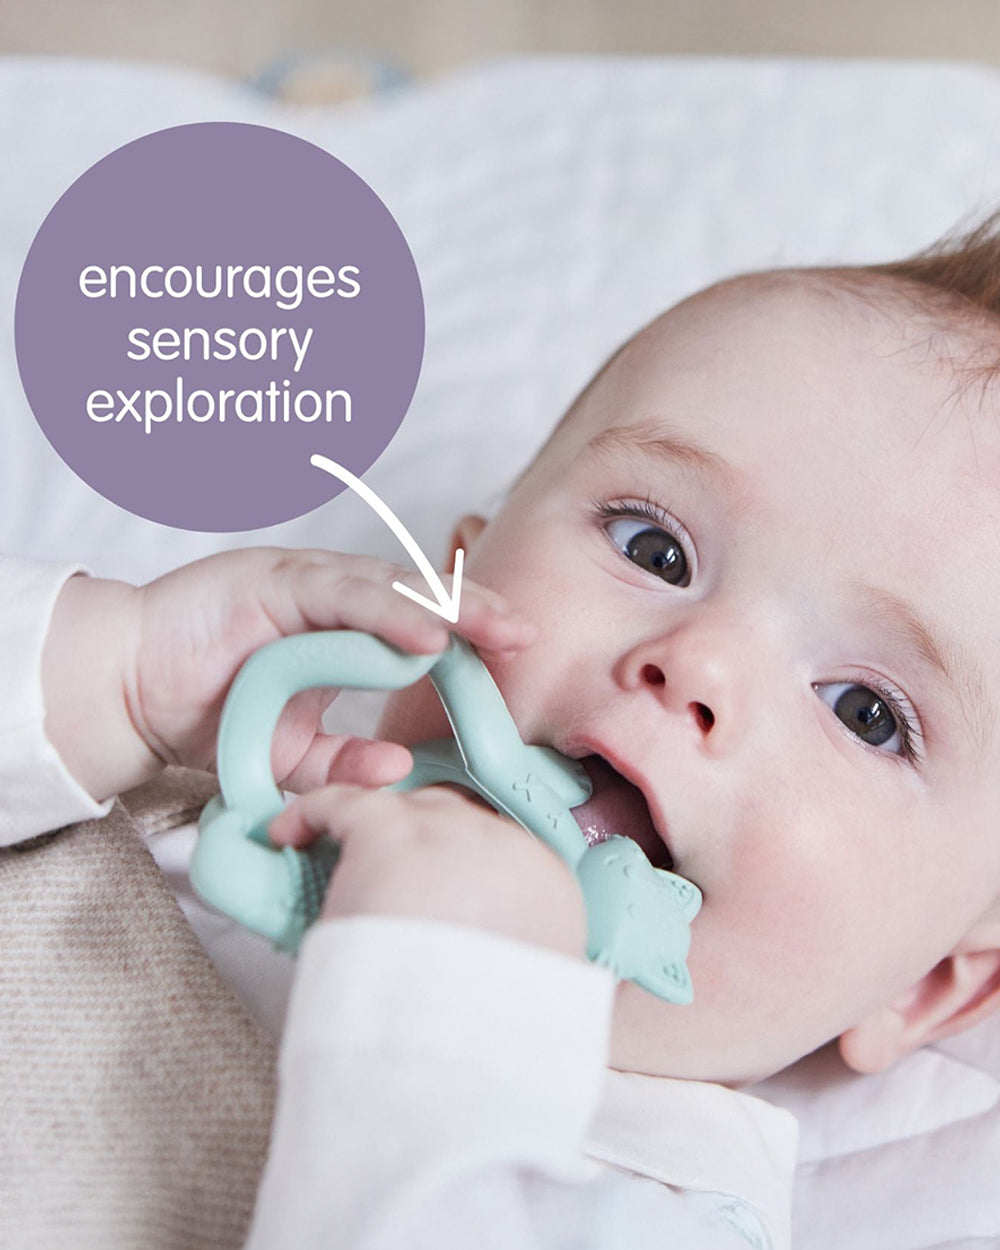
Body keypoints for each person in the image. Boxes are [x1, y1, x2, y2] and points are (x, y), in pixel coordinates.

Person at [9, 215, 1000, 1248]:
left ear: (926, 985)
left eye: (865, 713)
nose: (699, 663)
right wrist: (106, 673)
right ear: (451, 583)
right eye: (653, 548)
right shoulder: (165, 787)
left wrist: (449, 995)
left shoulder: (670, 1206)